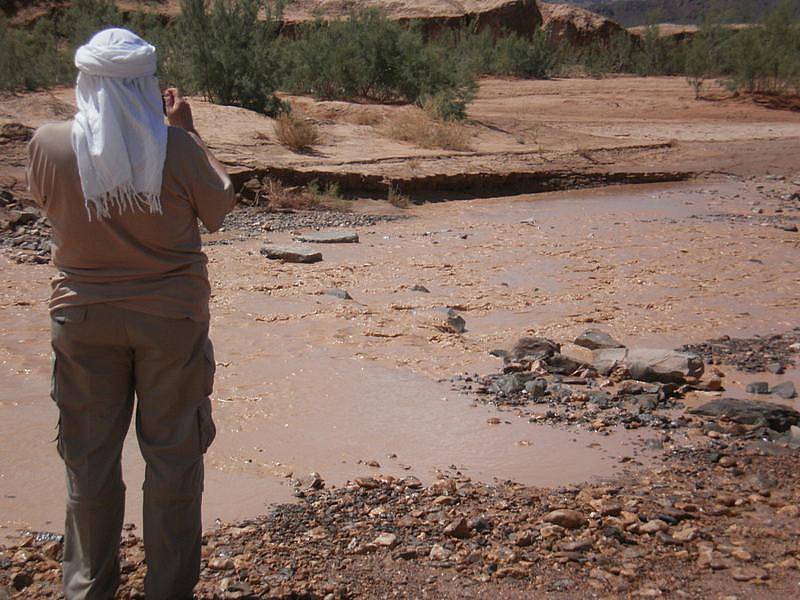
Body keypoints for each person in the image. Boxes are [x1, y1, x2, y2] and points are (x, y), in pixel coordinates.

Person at [26, 27, 235, 600]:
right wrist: (188, 133)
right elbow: (218, 209)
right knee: (173, 459)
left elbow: (49, 208)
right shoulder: (177, 147)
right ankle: (167, 590)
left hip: (82, 318)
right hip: (171, 321)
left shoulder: (47, 143)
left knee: (88, 460)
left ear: (84, 81)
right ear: (146, 84)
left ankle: (89, 588)